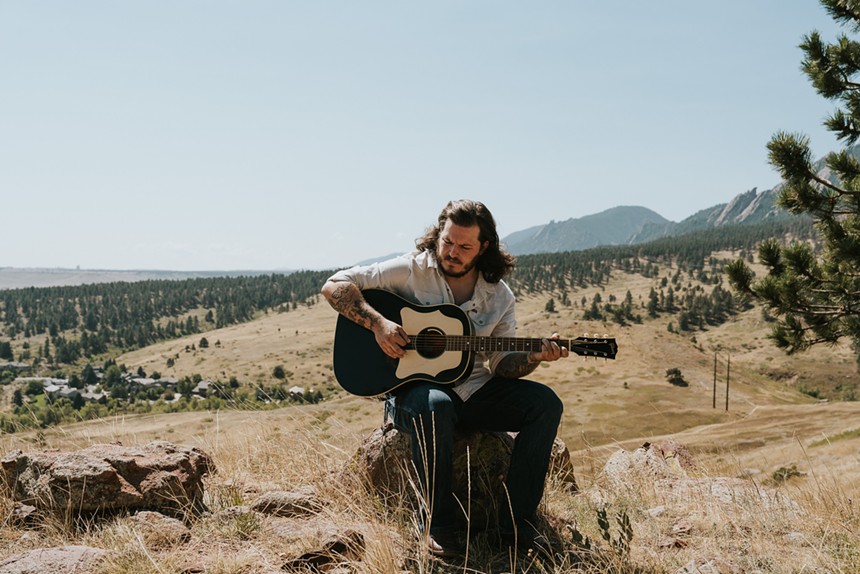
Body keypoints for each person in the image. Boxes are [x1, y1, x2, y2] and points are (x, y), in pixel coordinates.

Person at [321, 199, 567, 558]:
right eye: (447, 241)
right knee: (436, 404)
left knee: (545, 404)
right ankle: (437, 525)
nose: (452, 252)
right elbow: (335, 284)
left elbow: (500, 364)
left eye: (464, 246)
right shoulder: (409, 270)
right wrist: (379, 324)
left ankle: (517, 524)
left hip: (475, 392)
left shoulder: (498, 296)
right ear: (438, 235)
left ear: (484, 247)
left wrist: (531, 357)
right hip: (417, 396)